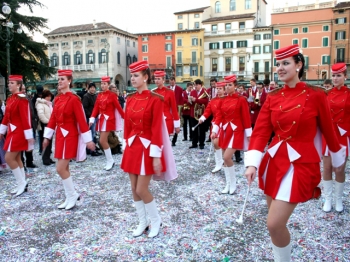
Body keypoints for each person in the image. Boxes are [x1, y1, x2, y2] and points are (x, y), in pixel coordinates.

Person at [244, 44, 346, 261]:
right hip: (274, 161)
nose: (280, 68)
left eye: (286, 63)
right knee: (274, 224)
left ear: (299, 65)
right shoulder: (272, 96)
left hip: (301, 163)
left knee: (274, 223)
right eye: (278, 64)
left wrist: (337, 156)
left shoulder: (316, 94)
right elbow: (261, 132)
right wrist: (252, 162)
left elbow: (328, 129)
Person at [121, 60, 177, 238]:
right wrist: (125, 144)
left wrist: (156, 155)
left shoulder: (155, 99)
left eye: (136, 76)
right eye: (132, 76)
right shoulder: (129, 99)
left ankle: (155, 220)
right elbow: (127, 125)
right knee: (133, 188)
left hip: (146, 148)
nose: (133, 79)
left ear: (146, 77)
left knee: (141, 189)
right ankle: (142, 221)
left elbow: (156, 130)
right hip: (132, 147)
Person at [43, 70, 95, 210]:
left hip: (70, 137)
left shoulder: (74, 99)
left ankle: (72, 195)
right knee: (64, 168)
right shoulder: (58, 99)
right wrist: (47, 136)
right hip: (60, 136)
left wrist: (88, 140)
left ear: (69, 81)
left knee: (60, 168)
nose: (59, 81)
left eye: (62, 79)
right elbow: (53, 118)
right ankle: (69, 196)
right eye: (58, 79)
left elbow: (81, 121)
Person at [209, 75, 251, 193]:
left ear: (235, 86)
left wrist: (249, 134)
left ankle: (233, 184)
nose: (227, 87)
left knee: (227, 157)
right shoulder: (223, 100)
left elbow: (246, 117)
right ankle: (228, 184)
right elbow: (219, 117)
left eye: (230, 85)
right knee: (225, 158)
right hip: (225, 131)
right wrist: (214, 131)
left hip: (236, 131)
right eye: (226, 85)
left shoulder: (241, 100)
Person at [322, 63, 350, 213]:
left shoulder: (349, 93)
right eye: (333, 75)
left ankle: (338, 199)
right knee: (326, 168)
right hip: (328, 135)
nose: (335, 78)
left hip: (342, 136)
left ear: (345, 76)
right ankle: (328, 199)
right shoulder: (327, 94)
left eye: (338, 75)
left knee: (339, 169)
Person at [0, 75, 34, 196]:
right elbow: (6, 117)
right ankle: (22, 183)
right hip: (11, 131)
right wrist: (1, 131)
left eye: (12, 83)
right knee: (17, 158)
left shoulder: (22, 99)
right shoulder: (10, 99)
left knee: (9, 158)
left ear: (19, 85)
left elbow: (26, 118)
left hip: (19, 133)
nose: (9, 85)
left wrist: (29, 136)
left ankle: (21, 183)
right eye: (9, 83)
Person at [89, 76, 124, 171]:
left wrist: (125, 117)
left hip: (109, 120)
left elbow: (118, 107)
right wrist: (92, 118)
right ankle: (110, 160)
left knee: (102, 140)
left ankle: (110, 160)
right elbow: (96, 107)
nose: (102, 85)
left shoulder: (112, 95)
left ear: (108, 85)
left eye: (104, 84)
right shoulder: (99, 95)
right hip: (101, 120)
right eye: (101, 84)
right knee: (102, 140)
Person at [199, 82, 226, 173]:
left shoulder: (227, 99)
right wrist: (202, 118)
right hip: (215, 123)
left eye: (220, 89)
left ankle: (225, 160)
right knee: (215, 143)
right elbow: (208, 111)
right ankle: (219, 162)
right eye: (217, 89)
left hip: (225, 123)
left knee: (223, 144)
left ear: (224, 89)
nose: (218, 90)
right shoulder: (213, 100)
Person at [153, 71, 180, 145]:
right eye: (155, 79)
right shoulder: (153, 92)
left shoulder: (170, 92)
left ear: (163, 80)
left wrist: (177, 125)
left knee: (165, 143)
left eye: (158, 79)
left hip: (167, 120)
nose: (156, 81)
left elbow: (174, 109)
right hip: (155, 120)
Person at [35, 89, 55, 165]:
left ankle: (48, 157)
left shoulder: (48, 104)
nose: (50, 98)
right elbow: (41, 115)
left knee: (49, 143)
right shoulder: (40, 104)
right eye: (49, 96)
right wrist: (48, 122)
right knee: (45, 142)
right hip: (45, 125)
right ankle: (45, 159)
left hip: (49, 125)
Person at [189, 79, 209, 149]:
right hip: (193, 113)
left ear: (200, 85)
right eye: (194, 85)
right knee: (194, 129)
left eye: (197, 85)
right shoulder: (192, 92)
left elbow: (206, 101)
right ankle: (194, 143)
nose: (195, 86)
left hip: (202, 114)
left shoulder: (204, 91)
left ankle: (201, 144)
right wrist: (190, 100)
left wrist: (196, 100)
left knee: (202, 130)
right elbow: (190, 103)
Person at [83, 82, 101, 157]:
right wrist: (91, 116)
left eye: (93, 87)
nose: (92, 89)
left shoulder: (96, 96)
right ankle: (91, 150)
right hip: (90, 118)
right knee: (91, 133)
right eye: (91, 88)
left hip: (96, 117)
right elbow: (85, 107)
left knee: (95, 133)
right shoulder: (86, 96)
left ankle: (93, 148)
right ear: (88, 88)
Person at [168, 77, 183, 146]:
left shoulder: (179, 89)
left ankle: (174, 141)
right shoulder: (167, 88)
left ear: (174, 81)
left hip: (176, 109)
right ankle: (167, 139)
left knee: (176, 124)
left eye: (172, 81)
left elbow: (181, 99)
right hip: (168, 109)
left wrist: (180, 108)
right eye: (170, 81)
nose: (171, 82)